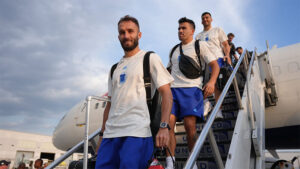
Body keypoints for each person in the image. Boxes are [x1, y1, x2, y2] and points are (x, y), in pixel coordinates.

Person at [95, 15, 174, 169]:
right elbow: (110, 105)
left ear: (139, 35)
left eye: (130, 31)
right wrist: (102, 136)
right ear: (118, 36)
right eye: (122, 32)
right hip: (110, 136)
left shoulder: (149, 58)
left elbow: (167, 94)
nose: (126, 35)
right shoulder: (114, 69)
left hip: (137, 133)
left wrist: (164, 126)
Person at [165, 17, 219, 169]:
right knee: (169, 125)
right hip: (173, 92)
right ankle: (170, 163)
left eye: (183, 28)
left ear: (192, 31)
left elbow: (214, 66)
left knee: (190, 128)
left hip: (192, 90)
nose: (180, 31)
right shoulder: (174, 50)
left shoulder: (199, 45)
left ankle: (193, 160)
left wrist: (211, 82)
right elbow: (168, 71)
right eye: (179, 28)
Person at [195, 12, 232, 118]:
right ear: (201, 21)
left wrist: (227, 55)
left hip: (217, 58)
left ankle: (218, 110)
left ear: (211, 19)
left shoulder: (217, 30)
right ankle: (206, 102)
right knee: (200, 84)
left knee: (216, 85)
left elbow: (225, 45)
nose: (205, 19)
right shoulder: (198, 36)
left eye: (207, 17)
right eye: (203, 18)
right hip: (204, 63)